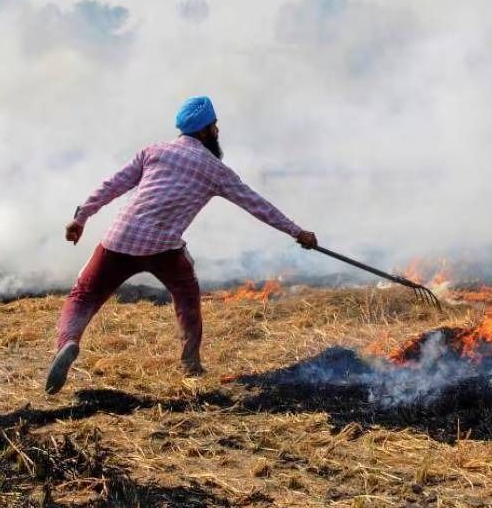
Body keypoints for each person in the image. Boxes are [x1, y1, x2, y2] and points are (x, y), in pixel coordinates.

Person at [45, 96, 316, 394]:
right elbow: (257, 205)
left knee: (83, 295)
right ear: (203, 132)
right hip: (164, 247)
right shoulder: (215, 170)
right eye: (214, 127)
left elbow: (113, 185)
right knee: (187, 295)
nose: (217, 132)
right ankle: (190, 364)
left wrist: (81, 217)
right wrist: (297, 232)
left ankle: (69, 342)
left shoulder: (153, 151)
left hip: (119, 239)